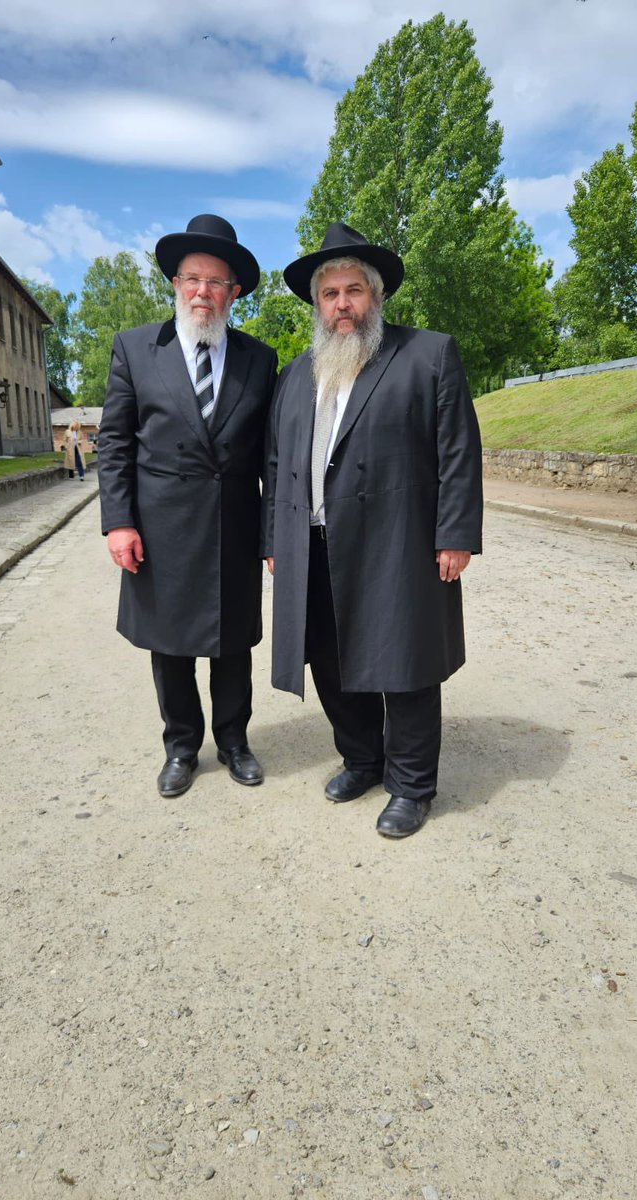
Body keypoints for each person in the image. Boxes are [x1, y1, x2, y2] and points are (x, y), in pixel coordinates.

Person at [262, 222, 482, 838]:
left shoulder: (427, 355)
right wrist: (273, 540)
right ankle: (362, 759)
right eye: (330, 294)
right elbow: (276, 465)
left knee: (405, 663)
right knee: (331, 663)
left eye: (353, 290)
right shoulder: (295, 376)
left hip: (396, 542)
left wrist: (455, 533)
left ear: (376, 295)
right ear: (316, 303)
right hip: (313, 544)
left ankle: (411, 786)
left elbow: (458, 450)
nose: (342, 305)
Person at [98, 214, 277, 798]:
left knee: (233, 645)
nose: (202, 291)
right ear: (176, 284)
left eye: (215, 281)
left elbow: (271, 456)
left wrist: (273, 534)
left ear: (234, 292)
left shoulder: (260, 359)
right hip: (161, 528)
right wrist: (119, 522)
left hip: (233, 527)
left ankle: (234, 741)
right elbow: (115, 444)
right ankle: (181, 747)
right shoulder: (135, 349)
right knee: (170, 647)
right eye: (192, 279)